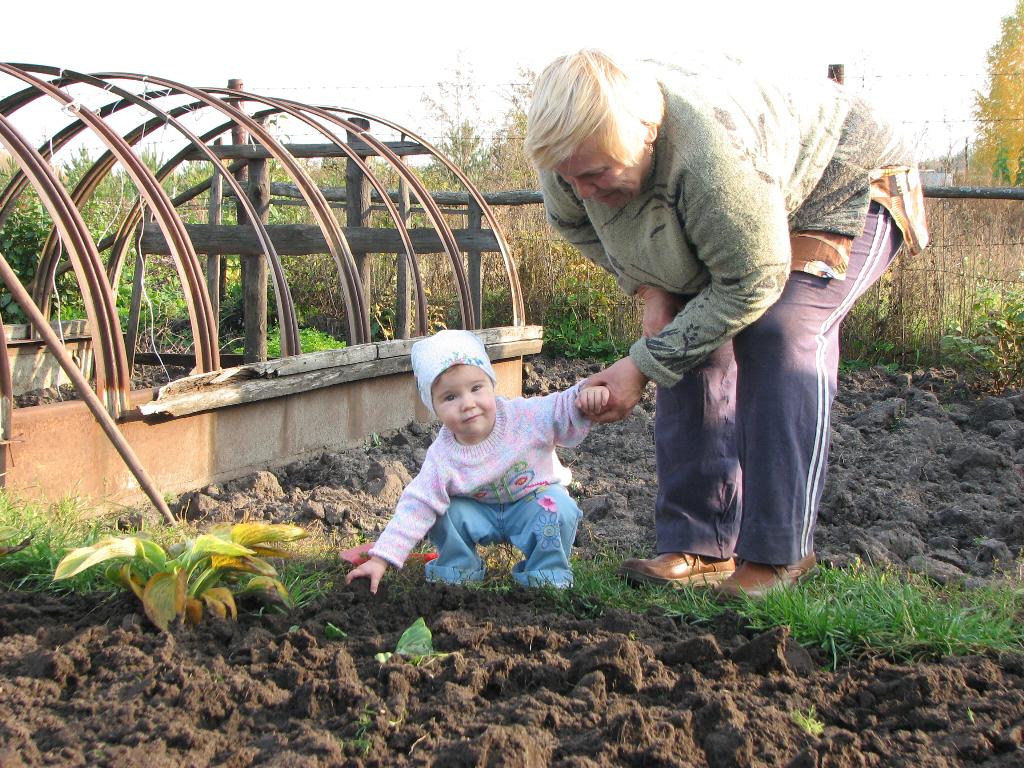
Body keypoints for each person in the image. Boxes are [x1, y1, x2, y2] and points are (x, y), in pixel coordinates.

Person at [525, 49, 928, 597]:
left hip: (846, 176)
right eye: (572, 180)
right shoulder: (571, 160)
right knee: (690, 333)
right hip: (752, 201)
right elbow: (579, 227)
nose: (585, 192)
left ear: (644, 133)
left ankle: (779, 553)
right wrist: (651, 286)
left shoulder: (711, 155)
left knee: (780, 329)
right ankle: (700, 544)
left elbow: (753, 281)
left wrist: (640, 368)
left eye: (596, 175)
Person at [345, 329, 610, 594]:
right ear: (433, 406)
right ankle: (458, 573)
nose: (467, 403)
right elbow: (417, 503)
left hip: (531, 502)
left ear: (491, 384)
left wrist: (585, 396)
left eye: (475, 388)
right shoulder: (443, 455)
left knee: (557, 507)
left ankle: (545, 577)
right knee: (441, 512)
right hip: (477, 512)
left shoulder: (524, 418)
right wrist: (380, 558)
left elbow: (561, 407)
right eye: (450, 397)